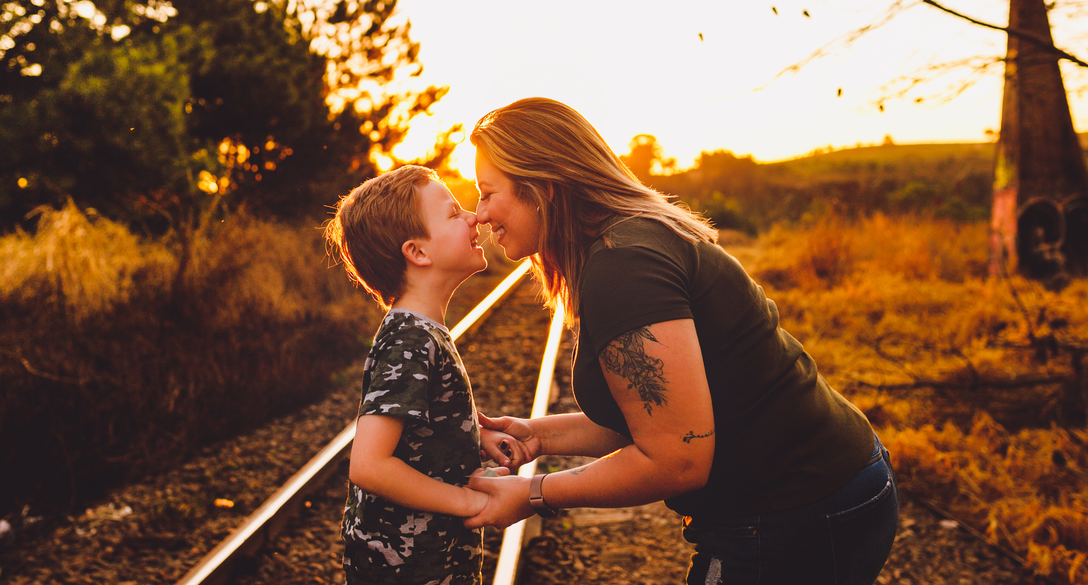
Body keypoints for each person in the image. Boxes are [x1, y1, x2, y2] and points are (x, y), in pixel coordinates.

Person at [467, 98, 898, 585]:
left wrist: (533, 493)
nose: (479, 214)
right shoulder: (625, 243)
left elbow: (679, 458)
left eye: (487, 192)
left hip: (794, 509)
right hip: (828, 488)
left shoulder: (622, 268)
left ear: (540, 187)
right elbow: (667, 417)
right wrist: (539, 435)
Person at [324, 165, 523, 585]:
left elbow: (417, 431)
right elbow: (370, 465)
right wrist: (469, 501)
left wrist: (472, 440)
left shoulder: (421, 331)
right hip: (409, 568)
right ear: (417, 252)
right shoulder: (410, 339)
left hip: (427, 561)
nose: (472, 217)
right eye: (453, 214)